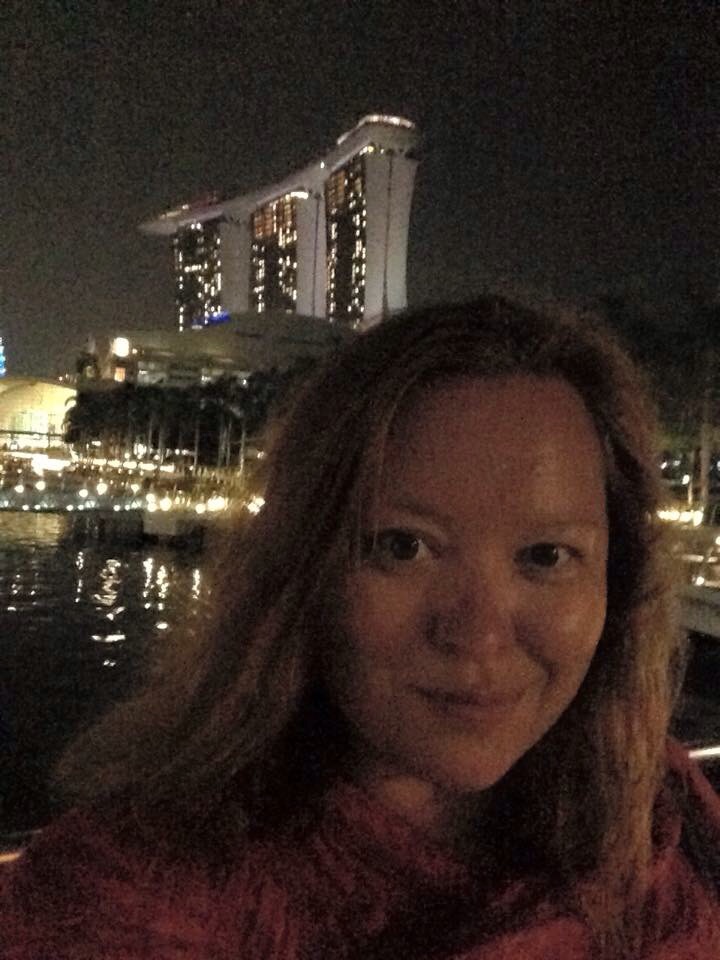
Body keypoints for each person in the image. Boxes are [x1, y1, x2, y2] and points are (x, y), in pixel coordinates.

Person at [2, 296, 720, 959]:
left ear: (616, 580)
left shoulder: (664, 814)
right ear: (304, 564)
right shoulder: (131, 900)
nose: (478, 633)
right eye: (402, 547)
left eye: (546, 556)